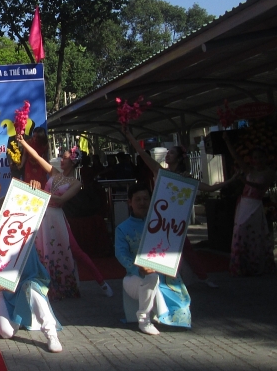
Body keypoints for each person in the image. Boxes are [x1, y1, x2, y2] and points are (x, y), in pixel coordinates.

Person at [124, 129, 235, 287]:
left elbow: (209, 188)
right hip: (158, 218)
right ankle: (153, 279)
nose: (167, 155)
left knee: (186, 249)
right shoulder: (159, 171)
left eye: (171, 153)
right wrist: (129, 135)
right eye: (167, 153)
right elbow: (142, 152)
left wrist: (231, 181)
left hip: (175, 221)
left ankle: (202, 277)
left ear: (179, 158)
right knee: (152, 249)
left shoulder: (185, 178)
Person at [18, 138, 113, 300]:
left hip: (57, 217)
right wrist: (23, 142)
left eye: (64, 158)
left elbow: (61, 200)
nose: (61, 160)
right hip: (43, 215)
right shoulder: (55, 173)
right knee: (39, 249)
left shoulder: (76, 183)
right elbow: (38, 157)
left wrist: (40, 192)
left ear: (73, 161)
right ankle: (41, 285)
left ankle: (102, 282)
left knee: (76, 251)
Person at [0, 197, 62, 353]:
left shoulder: (26, 236)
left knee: (32, 288)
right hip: (6, 292)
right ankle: (21, 315)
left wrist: (33, 189)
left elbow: (31, 270)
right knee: (6, 333)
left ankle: (51, 333)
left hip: (29, 282)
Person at [115, 183, 191, 335]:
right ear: (130, 202)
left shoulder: (161, 224)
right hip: (134, 278)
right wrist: (138, 268)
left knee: (176, 298)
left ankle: (163, 314)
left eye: (145, 199)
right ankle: (144, 319)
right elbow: (121, 255)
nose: (142, 203)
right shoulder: (122, 228)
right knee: (151, 277)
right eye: (138, 199)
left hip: (164, 276)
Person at [224, 135, 276, 276]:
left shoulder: (270, 173)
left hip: (255, 205)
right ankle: (240, 266)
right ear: (252, 159)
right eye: (255, 158)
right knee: (240, 232)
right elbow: (235, 156)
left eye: (260, 157)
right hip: (244, 204)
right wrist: (227, 140)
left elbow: (261, 186)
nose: (258, 160)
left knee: (254, 235)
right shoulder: (249, 170)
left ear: (265, 158)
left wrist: (245, 181)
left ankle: (256, 264)